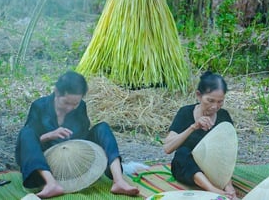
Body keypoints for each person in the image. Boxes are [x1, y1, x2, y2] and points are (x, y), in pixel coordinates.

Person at [15, 70, 139, 199]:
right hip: (47, 161)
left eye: (75, 104)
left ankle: (118, 181)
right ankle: (51, 184)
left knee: (103, 128)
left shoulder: (81, 107)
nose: (70, 108)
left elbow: (84, 137)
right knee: (26, 133)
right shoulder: (39, 106)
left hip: (76, 157)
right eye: (66, 103)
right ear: (57, 92)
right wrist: (50, 135)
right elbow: (29, 144)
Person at [163, 71, 238, 200]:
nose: (215, 106)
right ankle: (212, 190)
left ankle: (226, 190)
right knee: (183, 152)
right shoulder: (185, 112)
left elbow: (226, 155)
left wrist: (229, 186)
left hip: (214, 171)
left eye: (220, 102)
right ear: (199, 95)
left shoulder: (223, 117)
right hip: (186, 169)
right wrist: (193, 127)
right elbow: (168, 148)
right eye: (210, 100)